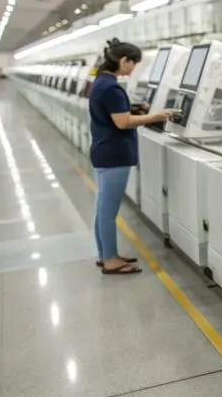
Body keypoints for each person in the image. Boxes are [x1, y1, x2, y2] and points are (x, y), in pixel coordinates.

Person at [89, 39, 172, 275]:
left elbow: (115, 113)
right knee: (108, 211)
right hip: (114, 155)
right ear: (123, 61)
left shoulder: (101, 82)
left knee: (103, 208)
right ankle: (111, 260)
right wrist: (156, 116)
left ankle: (106, 254)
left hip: (104, 151)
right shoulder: (112, 87)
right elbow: (122, 122)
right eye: (133, 63)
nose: (133, 68)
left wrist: (132, 107)